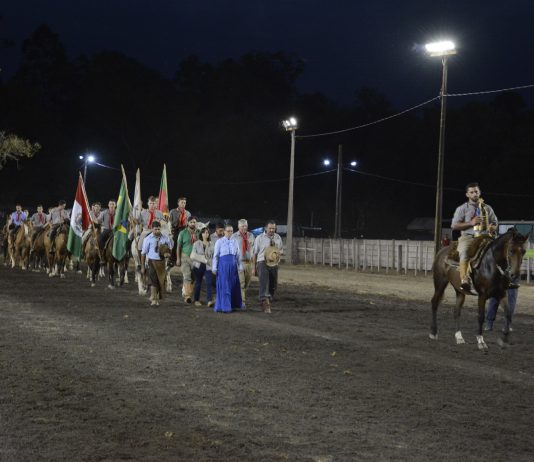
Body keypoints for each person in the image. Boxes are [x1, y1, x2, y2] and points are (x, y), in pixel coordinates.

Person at [451, 183, 498, 293]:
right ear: (467, 194)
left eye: (476, 191)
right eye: (471, 192)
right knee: (464, 252)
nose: (474, 194)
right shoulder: (462, 209)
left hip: (486, 236)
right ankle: (465, 279)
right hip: (468, 237)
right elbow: (454, 225)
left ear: (479, 192)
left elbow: (495, 222)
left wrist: (492, 227)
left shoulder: (487, 208)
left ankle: (505, 276)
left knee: (501, 249)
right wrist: (471, 223)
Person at [252, 220, 284, 313]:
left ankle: (267, 299)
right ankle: (265, 302)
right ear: (266, 228)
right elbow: (254, 253)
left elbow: (281, 251)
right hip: (262, 262)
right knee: (264, 283)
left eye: (273, 228)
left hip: (274, 263)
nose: (271, 230)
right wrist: (254, 268)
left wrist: (277, 255)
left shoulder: (278, 238)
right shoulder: (259, 238)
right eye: (270, 228)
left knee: (273, 285)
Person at [140, 221, 173, 306]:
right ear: (152, 229)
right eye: (155, 229)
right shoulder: (147, 239)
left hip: (162, 263)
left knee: (160, 281)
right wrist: (142, 266)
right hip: (152, 262)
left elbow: (170, 249)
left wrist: (168, 254)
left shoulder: (165, 238)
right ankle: (154, 299)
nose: (157, 231)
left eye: (159, 229)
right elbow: (143, 253)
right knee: (153, 281)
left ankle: (154, 296)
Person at [212, 224, 243, 313]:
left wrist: (240, 266)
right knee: (225, 286)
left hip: (233, 267)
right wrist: (214, 268)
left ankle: (232, 304)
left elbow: (238, 256)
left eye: (231, 231)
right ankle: (225, 306)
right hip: (223, 267)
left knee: (233, 285)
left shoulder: (235, 242)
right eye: (228, 231)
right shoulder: (219, 242)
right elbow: (216, 256)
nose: (230, 233)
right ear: (224, 232)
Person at [232, 218, 255, 307]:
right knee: (241, 283)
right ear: (238, 226)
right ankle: (242, 302)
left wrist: (253, 265)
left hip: (249, 262)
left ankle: (238, 297)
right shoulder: (234, 236)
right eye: (242, 226)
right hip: (239, 263)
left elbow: (253, 250)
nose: (244, 228)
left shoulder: (251, 236)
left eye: (245, 226)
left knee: (247, 283)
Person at [176, 215, 199, 303]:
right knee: (187, 276)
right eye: (191, 222)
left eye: (194, 222)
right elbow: (178, 246)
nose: (193, 224)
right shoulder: (182, 233)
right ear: (187, 223)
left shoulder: (199, 233)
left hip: (196, 259)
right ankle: (187, 296)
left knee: (194, 278)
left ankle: (188, 292)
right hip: (185, 257)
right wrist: (178, 259)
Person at [190, 226, 215, 307]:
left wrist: (212, 264)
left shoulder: (212, 244)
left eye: (207, 233)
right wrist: (203, 259)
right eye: (204, 233)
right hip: (198, 266)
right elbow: (192, 255)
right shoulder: (196, 243)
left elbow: (214, 256)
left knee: (209, 282)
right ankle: (196, 300)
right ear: (201, 234)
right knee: (198, 283)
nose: (206, 234)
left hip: (208, 266)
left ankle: (209, 300)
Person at [169, 197, 190, 263]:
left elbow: (189, 223)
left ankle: (184, 258)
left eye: (184, 203)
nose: (183, 204)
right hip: (175, 230)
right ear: (178, 203)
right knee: (175, 242)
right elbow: (169, 222)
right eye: (182, 202)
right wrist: (170, 231)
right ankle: (172, 259)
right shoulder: (172, 211)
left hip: (185, 230)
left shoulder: (188, 213)